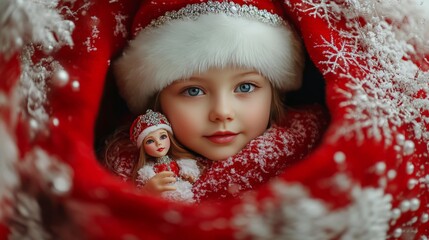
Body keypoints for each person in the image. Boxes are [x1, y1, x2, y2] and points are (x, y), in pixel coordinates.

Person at [107, 0, 306, 199]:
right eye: (193, 91)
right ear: (157, 103)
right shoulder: (128, 176)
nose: (222, 112)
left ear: (274, 95)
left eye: (245, 87)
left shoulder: (307, 153)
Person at [129, 109, 200, 203]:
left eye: (163, 137)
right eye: (150, 141)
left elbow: (195, 178)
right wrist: (148, 190)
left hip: (186, 196)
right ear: (143, 148)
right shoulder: (147, 171)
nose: (159, 143)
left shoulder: (181, 162)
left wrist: (190, 177)